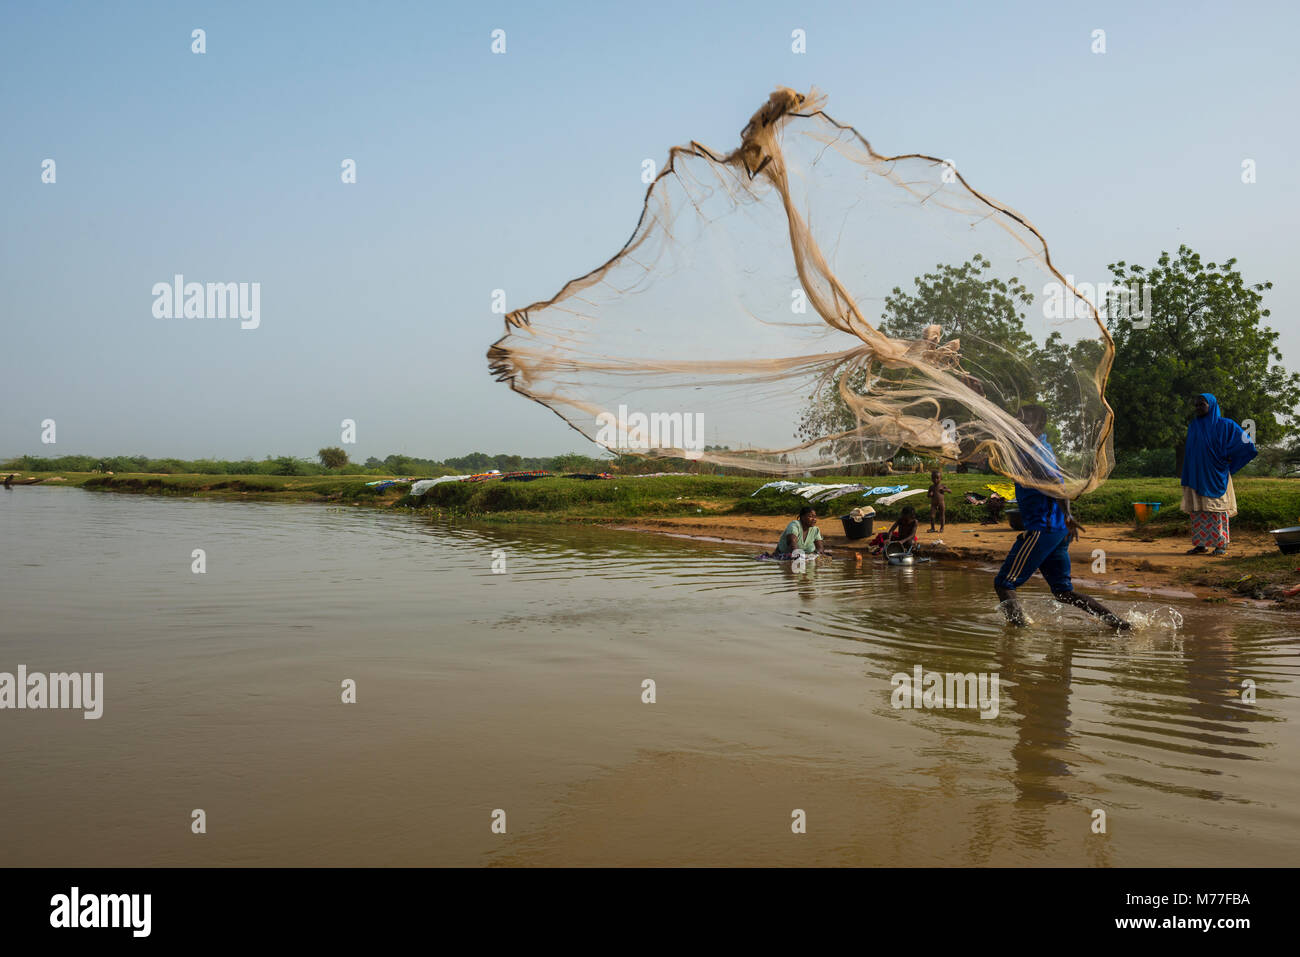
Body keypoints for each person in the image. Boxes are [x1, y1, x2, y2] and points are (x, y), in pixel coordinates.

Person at [993, 405, 1130, 630]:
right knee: (1063, 592)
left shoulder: (1034, 454)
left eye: (1027, 422)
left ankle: (1017, 635)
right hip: (1055, 531)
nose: (1021, 425)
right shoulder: (1037, 447)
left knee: (1004, 584)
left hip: (1042, 529)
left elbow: (1056, 484)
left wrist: (1067, 515)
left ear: (1039, 426)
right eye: (1019, 420)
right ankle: (1120, 625)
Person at [1181, 392, 1257, 557]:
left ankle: (1220, 545)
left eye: (1202, 404)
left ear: (1211, 405)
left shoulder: (1226, 425)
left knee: (1216, 510)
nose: (1198, 408)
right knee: (1198, 509)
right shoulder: (1194, 425)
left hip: (1216, 475)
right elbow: (1190, 452)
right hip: (1196, 475)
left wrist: (1228, 460)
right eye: (1196, 405)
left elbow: (1247, 445)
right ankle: (1200, 544)